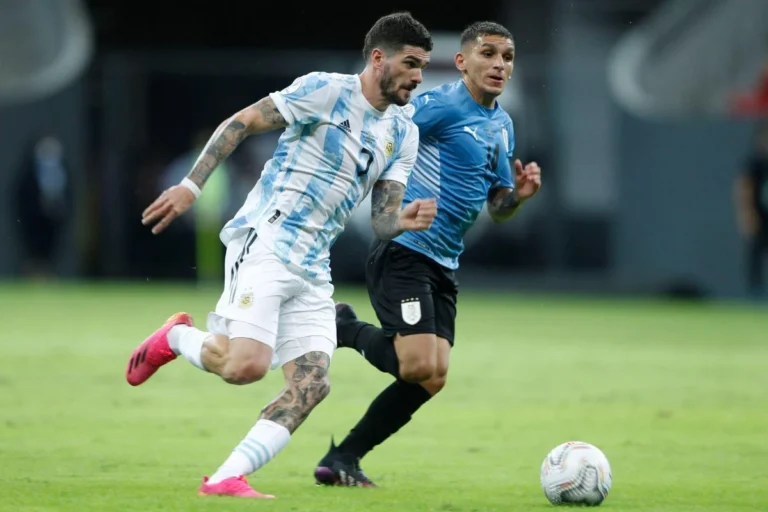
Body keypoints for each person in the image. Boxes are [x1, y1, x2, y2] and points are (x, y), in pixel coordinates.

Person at [124, 12, 436, 499]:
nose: (418, 77)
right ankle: (177, 337)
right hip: (266, 241)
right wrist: (191, 186)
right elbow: (243, 122)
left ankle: (227, 477)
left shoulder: (404, 132)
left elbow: (380, 218)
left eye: (423, 66)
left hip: (314, 267)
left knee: (312, 385)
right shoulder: (325, 90)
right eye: (412, 63)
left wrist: (403, 220)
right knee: (244, 367)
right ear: (378, 59)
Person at [314, 21, 542, 487]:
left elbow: (496, 208)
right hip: (405, 251)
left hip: (444, 263)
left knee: (431, 378)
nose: (500, 64)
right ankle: (343, 327)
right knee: (417, 364)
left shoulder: (501, 124)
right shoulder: (438, 106)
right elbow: (381, 135)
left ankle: (343, 458)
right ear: (462, 62)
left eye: (508, 56)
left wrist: (516, 195)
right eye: (489, 54)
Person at [734, 122, 768, 299]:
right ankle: (755, 293)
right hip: (760, 218)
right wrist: (747, 215)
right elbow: (744, 188)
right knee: (756, 255)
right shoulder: (754, 163)